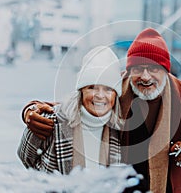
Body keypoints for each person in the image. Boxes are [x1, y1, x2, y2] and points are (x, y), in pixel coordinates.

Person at [21, 28, 181, 193]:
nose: (145, 76)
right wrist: (31, 109)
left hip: (166, 185)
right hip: (127, 180)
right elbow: (80, 102)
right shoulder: (116, 86)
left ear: (165, 69)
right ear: (129, 71)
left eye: (153, 68)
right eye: (138, 68)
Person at [17, 46, 123, 174]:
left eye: (108, 89)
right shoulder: (50, 120)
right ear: (81, 90)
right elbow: (26, 158)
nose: (100, 95)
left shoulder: (119, 129)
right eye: (92, 87)